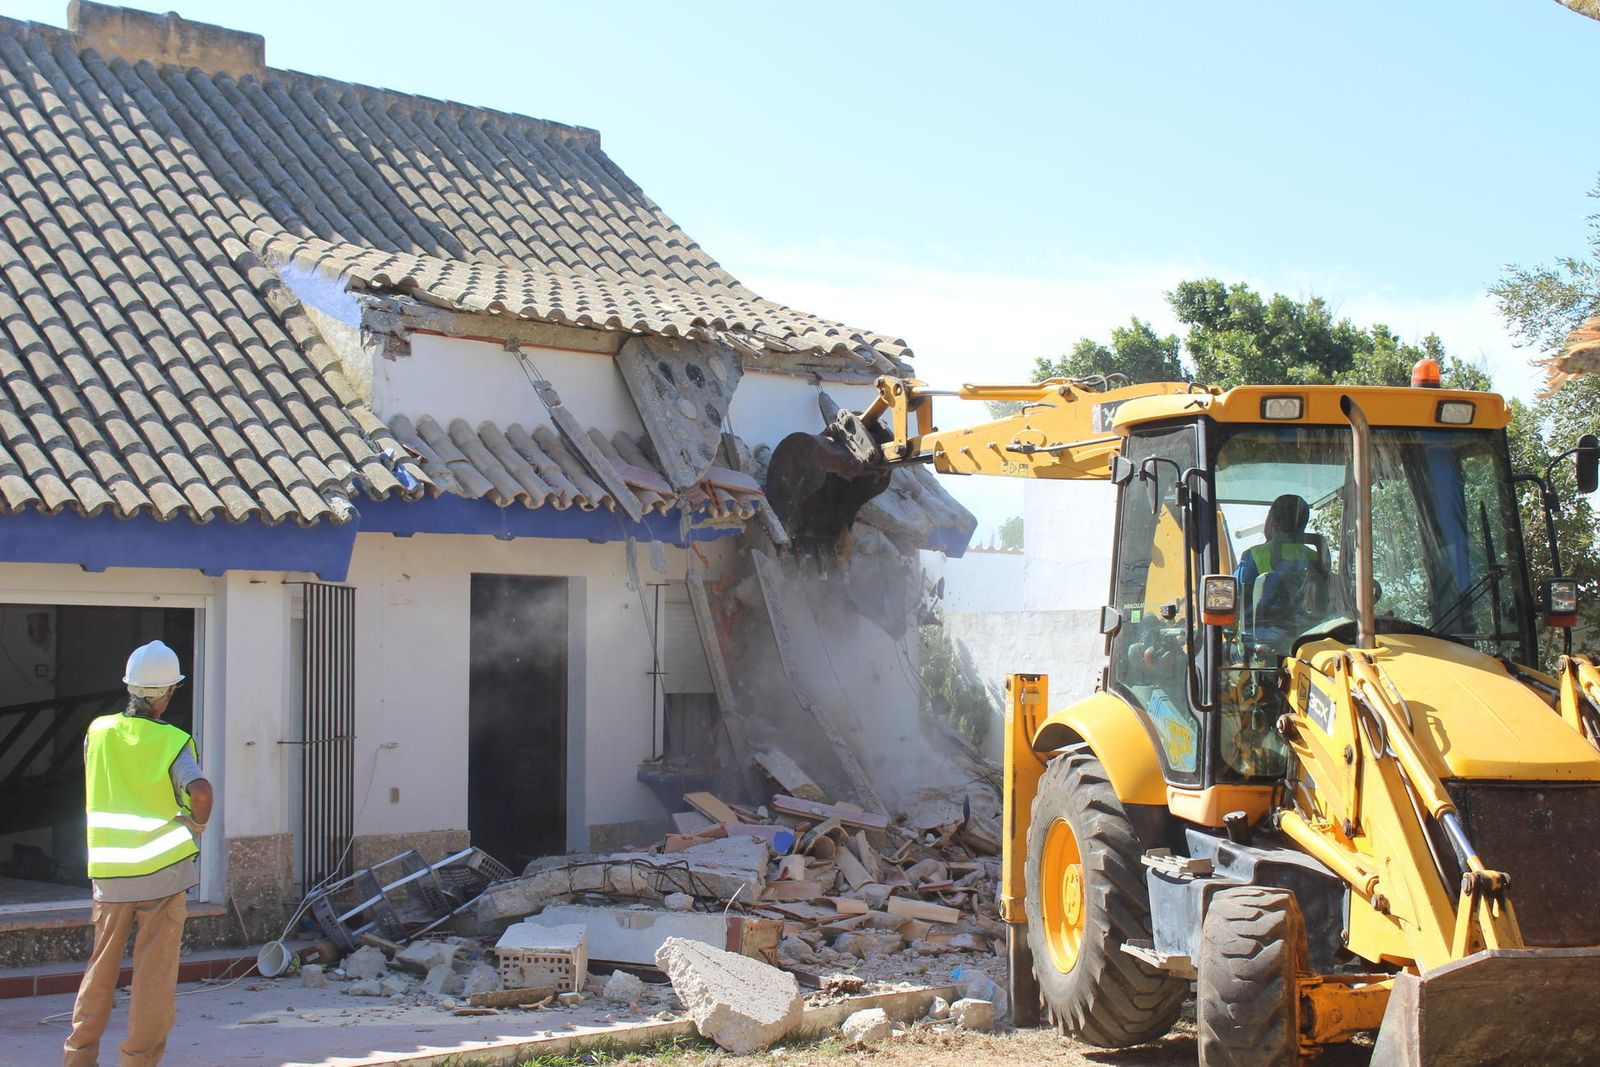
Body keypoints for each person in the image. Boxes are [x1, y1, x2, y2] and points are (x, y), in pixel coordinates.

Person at [64, 641, 212, 1067]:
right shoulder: (173, 740)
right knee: (154, 979)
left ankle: (78, 1058)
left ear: (130, 687)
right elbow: (200, 791)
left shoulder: (98, 731)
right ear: (168, 693)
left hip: (111, 875)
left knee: (100, 972)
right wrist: (196, 823)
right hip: (164, 876)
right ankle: (138, 1061)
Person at [1234, 493, 1321, 630]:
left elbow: (1234, 597)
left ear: (1272, 521)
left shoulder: (1254, 555)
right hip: (1311, 632)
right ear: (1303, 523)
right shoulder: (1316, 556)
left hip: (1261, 634)